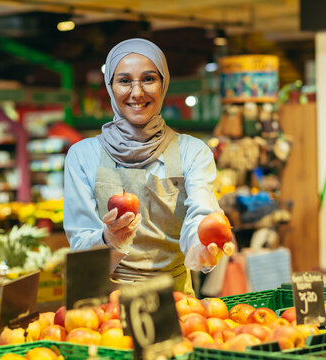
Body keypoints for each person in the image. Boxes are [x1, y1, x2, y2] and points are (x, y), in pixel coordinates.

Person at [63, 38, 233, 296]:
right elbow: (80, 243)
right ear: (110, 86)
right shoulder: (83, 155)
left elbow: (201, 215)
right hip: (106, 304)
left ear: (163, 84)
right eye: (124, 81)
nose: (137, 92)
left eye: (149, 79)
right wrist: (109, 239)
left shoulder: (192, 151)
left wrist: (204, 245)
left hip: (175, 302)